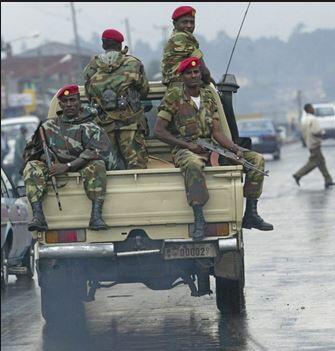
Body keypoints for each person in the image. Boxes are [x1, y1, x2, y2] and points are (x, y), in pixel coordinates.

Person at [154, 57, 273, 240]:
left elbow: (217, 131)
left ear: (201, 74)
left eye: (196, 72)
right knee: (193, 165)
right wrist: (187, 146)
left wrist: (234, 149)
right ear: (183, 77)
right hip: (185, 148)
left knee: (256, 160)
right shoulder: (174, 97)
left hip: (212, 146)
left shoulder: (208, 96)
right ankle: (199, 219)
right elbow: (159, 131)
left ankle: (250, 214)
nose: (194, 76)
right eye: (189, 73)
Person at [22, 85, 116, 231]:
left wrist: (67, 166)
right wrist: (44, 157)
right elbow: (29, 152)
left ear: (79, 102)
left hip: (82, 166)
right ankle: (38, 216)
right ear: (60, 104)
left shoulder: (91, 127)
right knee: (32, 166)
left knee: (97, 165)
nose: (69, 104)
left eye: (72, 100)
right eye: (65, 101)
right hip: (55, 167)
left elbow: (95, 152)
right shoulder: (48, 127)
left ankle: (96, 216)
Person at [83, 28, 150, 169]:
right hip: (130, 124)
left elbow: (89, 94)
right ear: (120, 45)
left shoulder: (91, 67)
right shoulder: (133, 64)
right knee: (136, 166)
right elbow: (144, 91)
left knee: (108, 167)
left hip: (103, 126)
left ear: (103, 45)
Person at [161, 6, 213, 87]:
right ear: (174, 24)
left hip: (174, 87)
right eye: (184, 22)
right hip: (184, 87)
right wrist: (212, 84)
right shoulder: (182, 37)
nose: (189, 26)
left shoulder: (174, 37)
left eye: (192, 22)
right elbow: (205, 73)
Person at [292, 103, 335, 189]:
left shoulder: (304, 120)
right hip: (315, 144)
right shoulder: (313, 119)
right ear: (309, 109)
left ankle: (328, 180)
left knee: (321, 162)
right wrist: (323, 133)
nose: (314, 109)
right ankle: (298, 175)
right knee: (313, 163)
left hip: (310, 144)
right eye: (312, 108)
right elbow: (316, 131)